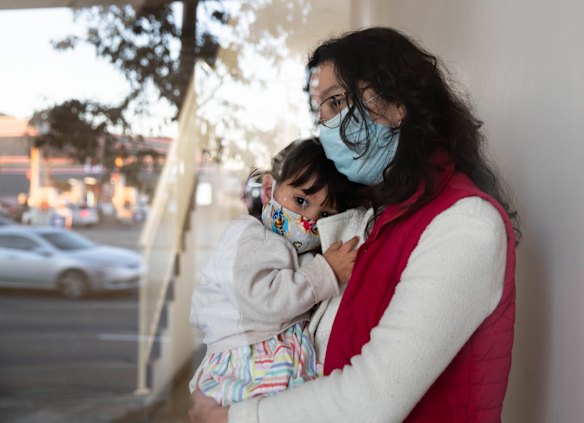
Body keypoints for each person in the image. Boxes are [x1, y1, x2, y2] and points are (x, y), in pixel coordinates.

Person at [189, 26, 520, 423]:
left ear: (399, 102)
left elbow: (372, 400)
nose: (326, 125)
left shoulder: (466, 224)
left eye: (338, 102)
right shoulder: (382, 215)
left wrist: (234, 418)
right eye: (321, 111)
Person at [189, 137, 365, 406]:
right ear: (269, 190)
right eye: (301, 201)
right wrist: (326, 271)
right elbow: (264, 299)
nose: (310, 222)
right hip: (245, 362)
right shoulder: (246, 236)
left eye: (326, 215)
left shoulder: (299, 252)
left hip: (277, 359)